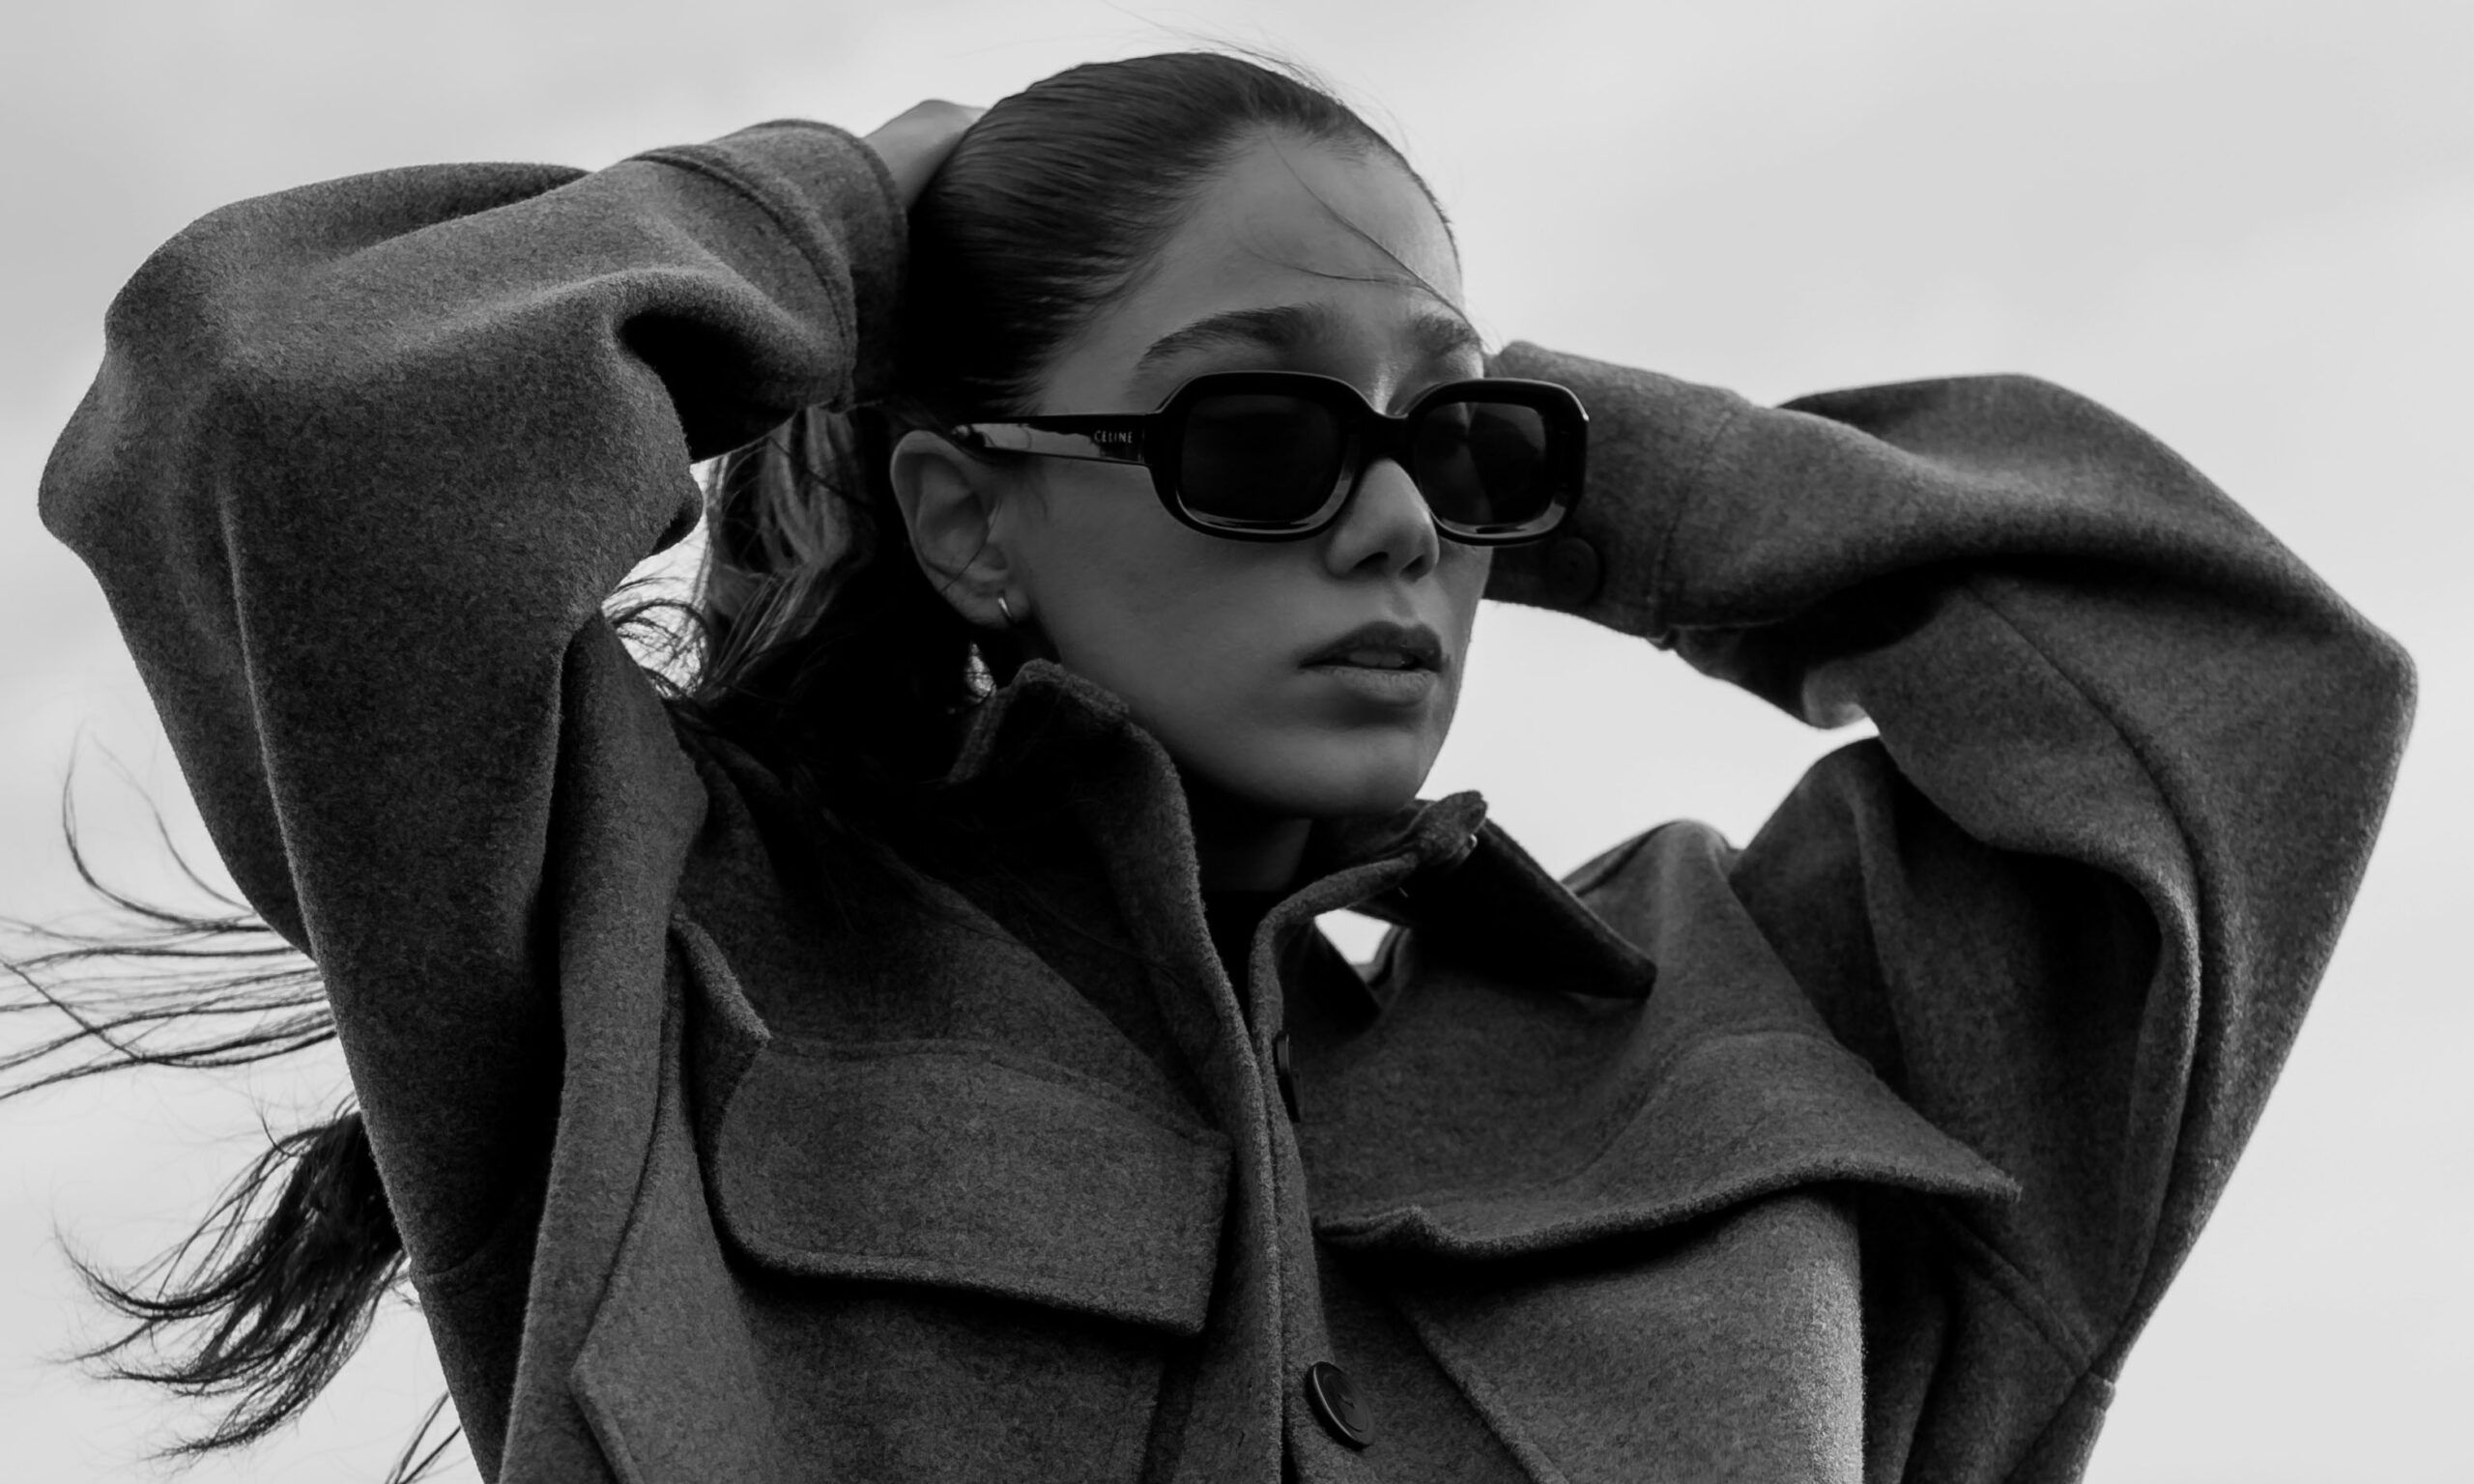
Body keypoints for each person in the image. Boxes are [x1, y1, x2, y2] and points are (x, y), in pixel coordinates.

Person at [19, 47, 2412, 1484]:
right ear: (966, 511)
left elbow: (2220, 687)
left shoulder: (1731, 1032)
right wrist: (852, 233)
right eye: (1255, 434)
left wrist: (1518, 445)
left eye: (1457, 451)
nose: (1396, 520)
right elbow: (282, 421)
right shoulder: (669, 957)